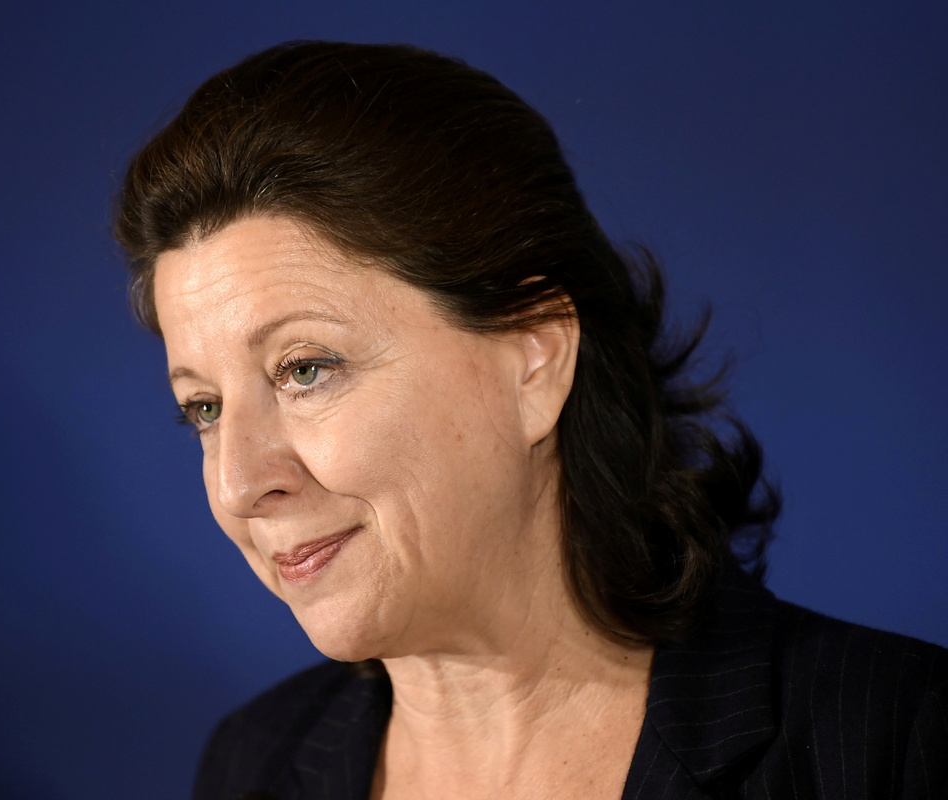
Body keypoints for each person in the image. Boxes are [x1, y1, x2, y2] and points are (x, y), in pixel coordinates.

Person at [115, 41, 946, 799]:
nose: (238, 483)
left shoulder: (894, 743)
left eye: (305, 369)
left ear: (533, 362)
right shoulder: (251, 767)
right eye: (204, 408)